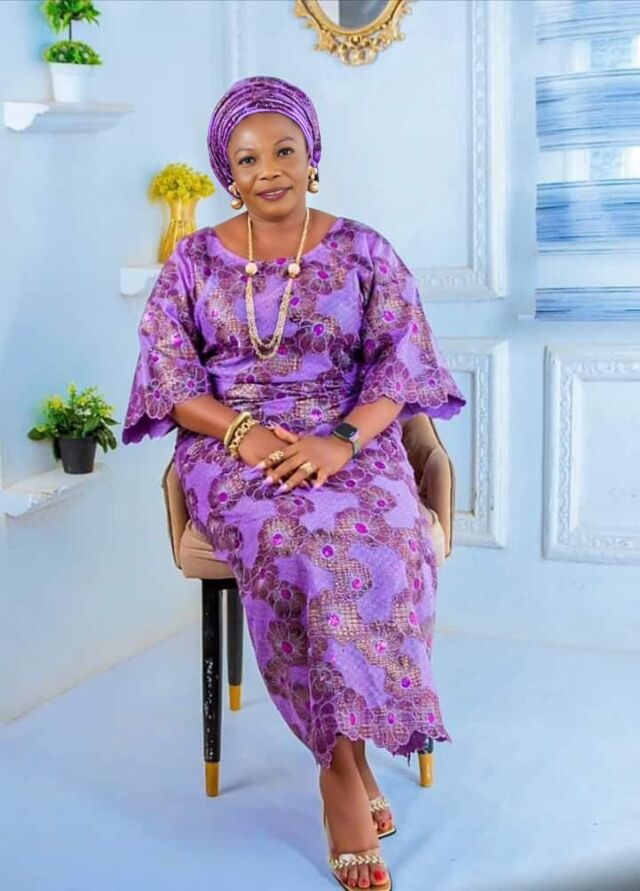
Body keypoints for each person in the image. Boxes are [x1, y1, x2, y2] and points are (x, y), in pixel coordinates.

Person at [122, 74, 466, 891]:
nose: (269, 169)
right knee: (294, 541)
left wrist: (340, 442)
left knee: (383, 538)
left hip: (351, 433)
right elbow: (170, 376)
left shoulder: (366, 250)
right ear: (227, 174)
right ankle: (342, 771)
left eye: (284, 150)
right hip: (231, 442)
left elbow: (400, 365)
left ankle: (353, 751)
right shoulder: (193, 261)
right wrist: (243, 432)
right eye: (248, 159)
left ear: (313, 157)